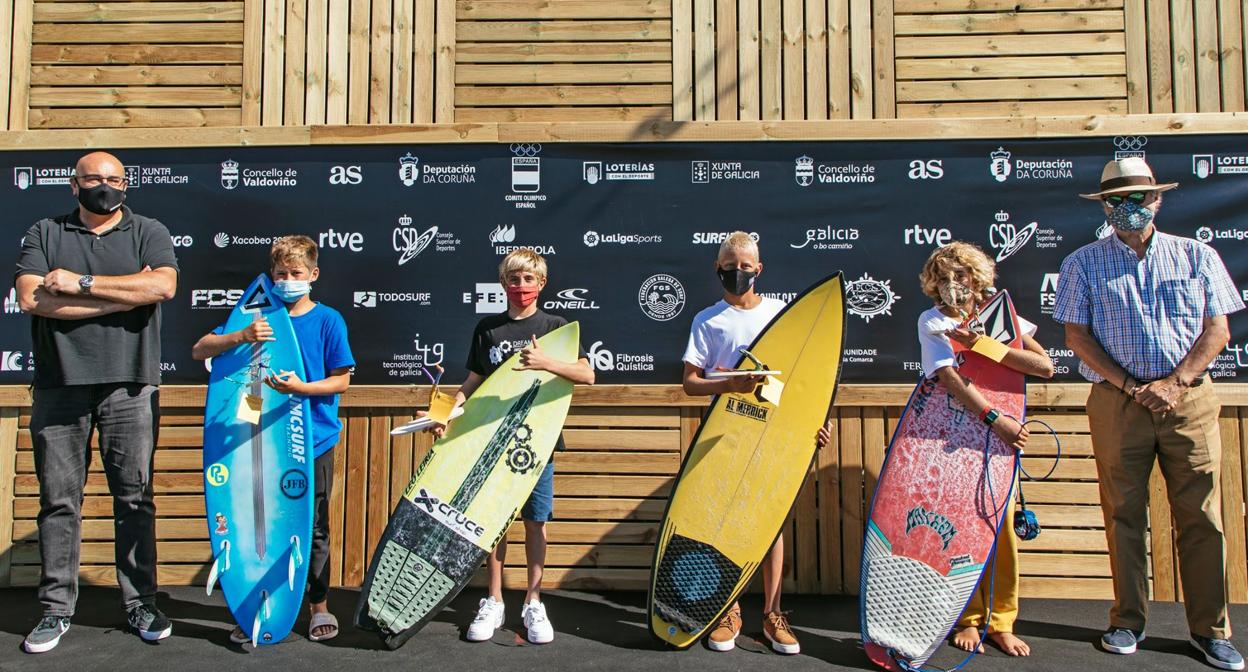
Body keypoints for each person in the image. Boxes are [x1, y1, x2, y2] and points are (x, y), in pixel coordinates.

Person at [1055, 157, 1244, 671]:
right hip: (1119, 404)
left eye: (1137, 199)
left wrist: (1175, 383)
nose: (1127, 209)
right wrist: (1133, 387)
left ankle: (1212, 631)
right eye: (1116, 200)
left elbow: (1217, 330)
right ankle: (1127, 622)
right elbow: (1077, 337)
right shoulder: (1081, 264)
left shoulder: (1197, 256)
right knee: (1123, 514)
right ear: (1104, 205)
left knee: (1202, 516)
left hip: (1191, 402)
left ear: (1157, 200)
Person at [14, 151, 179, 653]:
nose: (104, 186)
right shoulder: (45, 232)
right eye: (94, 179)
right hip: (60, 385)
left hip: (129, 385)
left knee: (135, 499)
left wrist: (83, 284)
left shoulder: (148, 230)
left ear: (126, 184)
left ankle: (140, 601)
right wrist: (127, 295)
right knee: (59, 501)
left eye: (113, 179)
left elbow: (164, 286)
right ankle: (56, 610)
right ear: (74, 185)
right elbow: (32, 298)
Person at [191, 235, 354, 643]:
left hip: (312, 441)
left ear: (313, 275)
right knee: (252, 523)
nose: (287, 280)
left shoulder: (328, 320)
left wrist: (301, 388)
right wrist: (241, 336)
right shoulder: (255, 315)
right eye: (280, 274)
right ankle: (254, 605)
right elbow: (200, 349)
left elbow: (342, 381)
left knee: (311, 526)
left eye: (296, 274)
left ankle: (318, 606)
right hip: (255, 443)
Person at [436, 248, 592, 644]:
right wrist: (442, 414)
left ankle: (533, 601)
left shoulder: (558, 325)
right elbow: (470, 384)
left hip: (537, 442)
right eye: (513, 279)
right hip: (491, 440)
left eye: (528, 280)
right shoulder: (487, 328)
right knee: (496, 523)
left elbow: (586, 374)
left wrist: (547, 363)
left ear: (541, 283)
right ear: (503, 284)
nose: (520, 287)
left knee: (535, 522)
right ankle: (494, 600)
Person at [915, 242, 1053, 656]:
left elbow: (1043, 366)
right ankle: (967, 617)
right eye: (942, 278)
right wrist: (995, 419)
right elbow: (946, 377)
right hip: (954, 437)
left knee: (1002, 529)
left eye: (960, 275)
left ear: (977, 278)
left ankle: (1001, 620)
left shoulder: (1002, 316)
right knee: (960, 527)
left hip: (1001, 439)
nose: (952, 284)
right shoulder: (932, 320)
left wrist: (982, 344)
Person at [681, 231, 802, 654]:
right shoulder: (706, 320)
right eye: (729, 267)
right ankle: (727, 609)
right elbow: (690, 383)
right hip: (725, 436)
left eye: (745, 267)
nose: (738, 273)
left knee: (769, 526)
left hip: (772, 435)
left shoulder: (782, 314)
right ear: (718, 269)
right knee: (724, 524)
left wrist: (810, 424)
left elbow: (800, 380)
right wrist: (734, 383)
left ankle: (772, 613)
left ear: (759, 269)